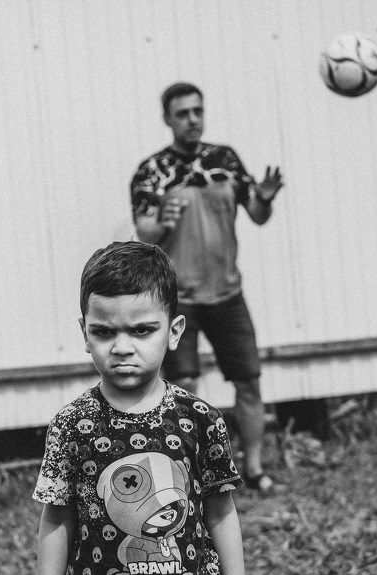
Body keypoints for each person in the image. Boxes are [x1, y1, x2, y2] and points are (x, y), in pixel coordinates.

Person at [26, 241, 250, 575]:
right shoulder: (72, 425)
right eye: (104, 332)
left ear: (175, 332)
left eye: (142, 330)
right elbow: (56, 519)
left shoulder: (199, 420)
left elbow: (221, 513)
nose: (122, 347)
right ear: (85, 333)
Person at [129, 81, 284, 495]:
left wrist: (266, 198)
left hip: (228, 293)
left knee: (248, 382)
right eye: (183, 113)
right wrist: (163, 220)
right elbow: (144, 232)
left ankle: (254, 470)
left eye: (198, 111)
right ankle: (192, 477)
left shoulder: (225, 160)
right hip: (179, 300)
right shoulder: (152, 171)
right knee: (184, 390)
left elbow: (257, 213)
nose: (192, 119)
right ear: (167, 119)